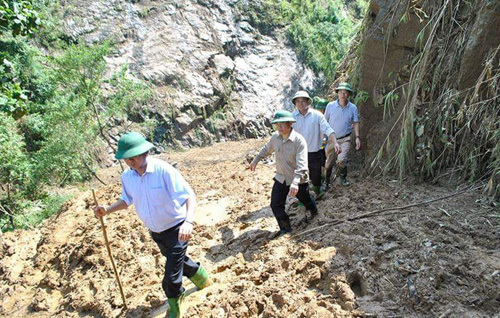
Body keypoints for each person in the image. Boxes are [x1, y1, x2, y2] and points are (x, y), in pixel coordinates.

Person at [92, 132, 211, 318]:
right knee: (178, 262)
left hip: (177, 228)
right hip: (156, 232)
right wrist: (106, 210)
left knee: (171, 277)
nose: (130, 162)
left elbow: (189, 196)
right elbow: (126, 199)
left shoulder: (163, 170)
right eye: (126, 159)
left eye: (134, 157)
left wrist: (188, 221)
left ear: (145, 153)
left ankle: (175, 306)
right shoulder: (127, 177)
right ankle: (203, 279)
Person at [250, 110, 318, 235]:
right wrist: (256, 160)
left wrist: (296, 182)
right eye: (277, 124)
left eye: (282, 124)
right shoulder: (275, 138)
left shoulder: (299, 141)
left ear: (290, 123)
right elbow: (266, 149)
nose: (279, 127)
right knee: (275, 204)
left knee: (305, 199)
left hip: (299, 179)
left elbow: (302, 165)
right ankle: (285, 228)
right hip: (281, 177)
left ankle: (313, 211)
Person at [291, 90, 341, 196]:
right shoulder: (292, 118)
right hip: (299, 153)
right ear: (295, 103)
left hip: (315, 151)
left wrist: (335, 142)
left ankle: (317, 192)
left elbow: (327, 129)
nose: (300, 103)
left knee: (316, 176)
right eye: (298, 101)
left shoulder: (317, 115)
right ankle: (304, 198)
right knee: (301, 177)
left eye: (303, 101)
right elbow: (286, 133)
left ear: (308, 102)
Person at [322, 83, 361, 189]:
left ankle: (343, 177)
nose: (343, 94)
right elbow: (324, 122)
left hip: (345, 138)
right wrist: (323, 137)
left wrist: (357, 137)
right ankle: (326, 182)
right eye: (341, 92)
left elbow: (356, 122)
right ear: (337, 93)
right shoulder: (330, 106)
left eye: (345, 92)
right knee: (329, 162)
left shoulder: (353, 108)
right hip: (331, 139)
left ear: (348, 94)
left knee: (341, 159)